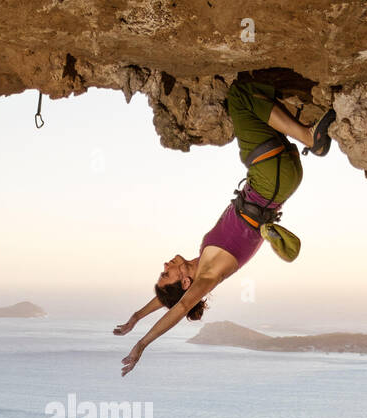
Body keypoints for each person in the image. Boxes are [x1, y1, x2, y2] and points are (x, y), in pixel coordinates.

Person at [115, 77, 334, 376]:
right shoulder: (209, 275)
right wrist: (142, 344)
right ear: (186, 283)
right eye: (167, 272)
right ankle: (310, 137)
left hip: (277, 175)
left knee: (251, 96)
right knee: (240, 94)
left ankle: (300, 121)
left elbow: (170, 300)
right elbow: (179, 308)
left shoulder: (204, 259)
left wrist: (136, 316)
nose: (165, 264)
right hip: (269, 176)